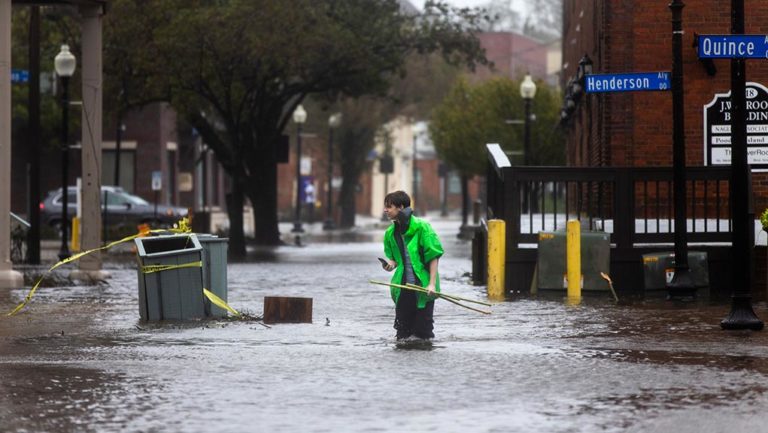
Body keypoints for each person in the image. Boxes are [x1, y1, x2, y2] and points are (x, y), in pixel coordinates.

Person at [381, 190, 444, 340]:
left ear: (401, 207)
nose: (385, 210)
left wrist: (432, 284)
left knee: (423, 333)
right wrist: (389, 265)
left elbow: (433, 256)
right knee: (402, 334)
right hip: (403, 287)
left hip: (423, 287)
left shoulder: (423, 227)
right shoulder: (390, 233)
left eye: (389, 207)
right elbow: (395, 260)